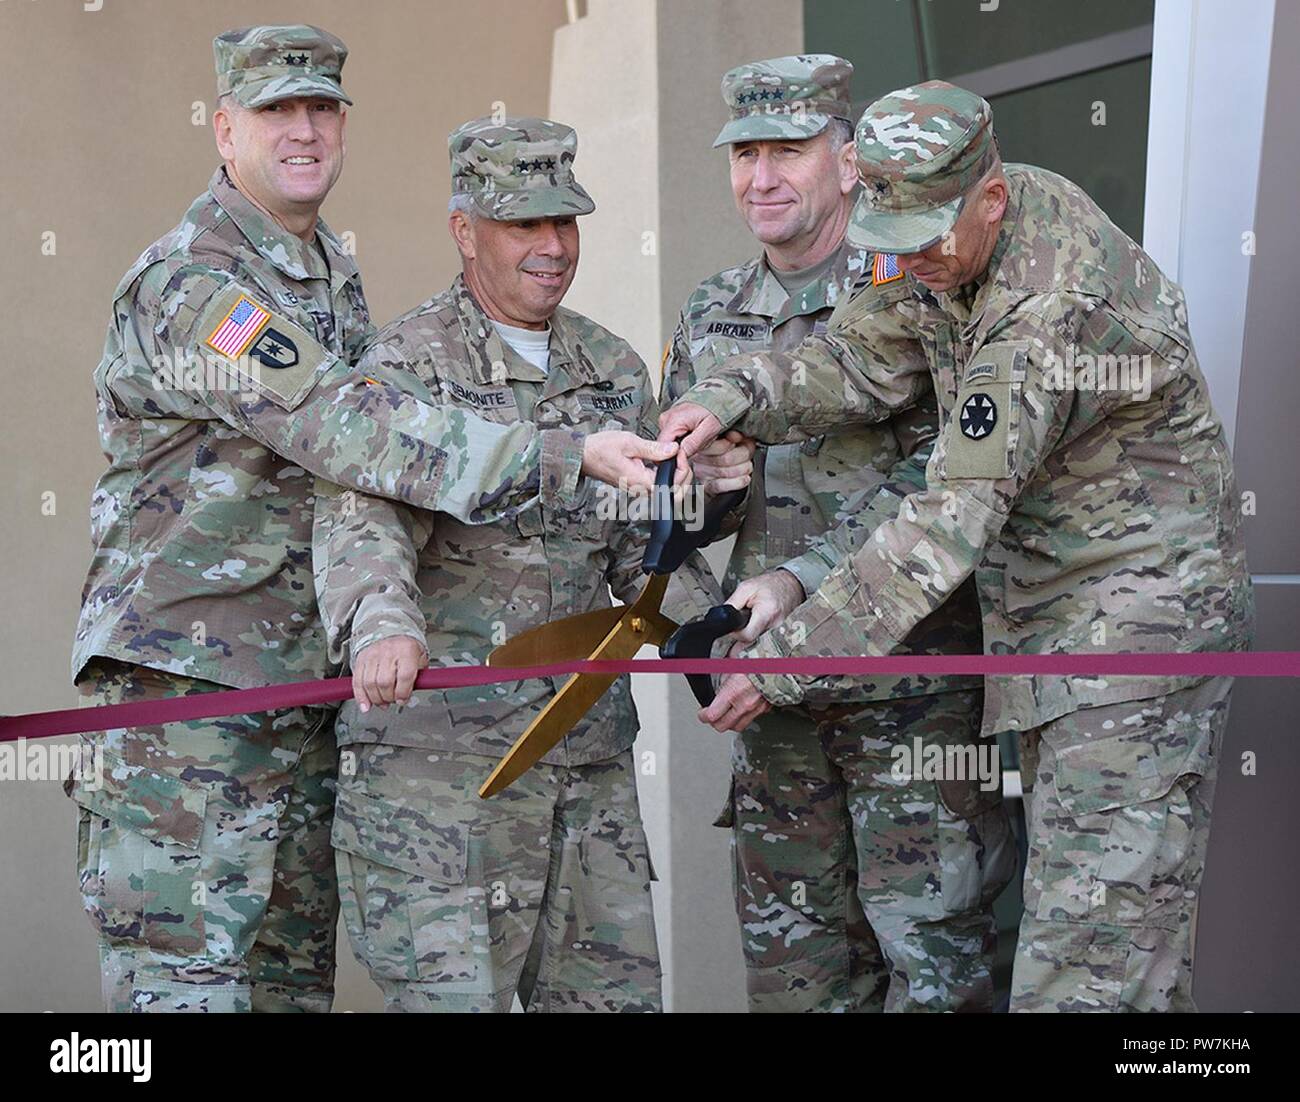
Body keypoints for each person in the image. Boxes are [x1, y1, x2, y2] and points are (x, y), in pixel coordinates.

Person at [69, 25, 672, 1014]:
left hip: (302, 697)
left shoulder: (326, 275)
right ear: (225, 130)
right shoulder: (198, 283)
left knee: (288, 988)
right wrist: (564, 453)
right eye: (275, 111)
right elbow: (344, 426)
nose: (303, 130)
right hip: (190, 698)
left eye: (321, 108)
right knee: (182, 991)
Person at [661, 81, 1254, 1012]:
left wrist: (782, 662)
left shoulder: (1045, 306)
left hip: (1132, 642)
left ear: (992, 194)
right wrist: (729, 396)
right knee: (1118, 957)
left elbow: (945, 522)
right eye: (892, 241)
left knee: (1090, 972)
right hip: (1052, 640)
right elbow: (857, 360)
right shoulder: (939, 241)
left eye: (929, 237)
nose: (915, 261)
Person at [312, 117, 724, 1012]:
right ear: (465, 230)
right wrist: (381, 626)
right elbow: (362, 518)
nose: (550, 247)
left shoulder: (611, 365)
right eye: (523, 226)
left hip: (587, 767)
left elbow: (642, 545)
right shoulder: (403, 365)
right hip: (446, 781)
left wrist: (713, 636)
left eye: (563, 223)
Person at [662, 56, 1012, 1012]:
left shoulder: (921, 279)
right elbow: (677, 525)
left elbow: (944, 481)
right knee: (796, 976)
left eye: (788, 150)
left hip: (912, 694)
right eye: (745, 153)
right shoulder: (708, 313)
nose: (762, 177)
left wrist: (800, 590)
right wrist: (705, 538)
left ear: (850, 162)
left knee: (933, 963)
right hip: (771, 707)